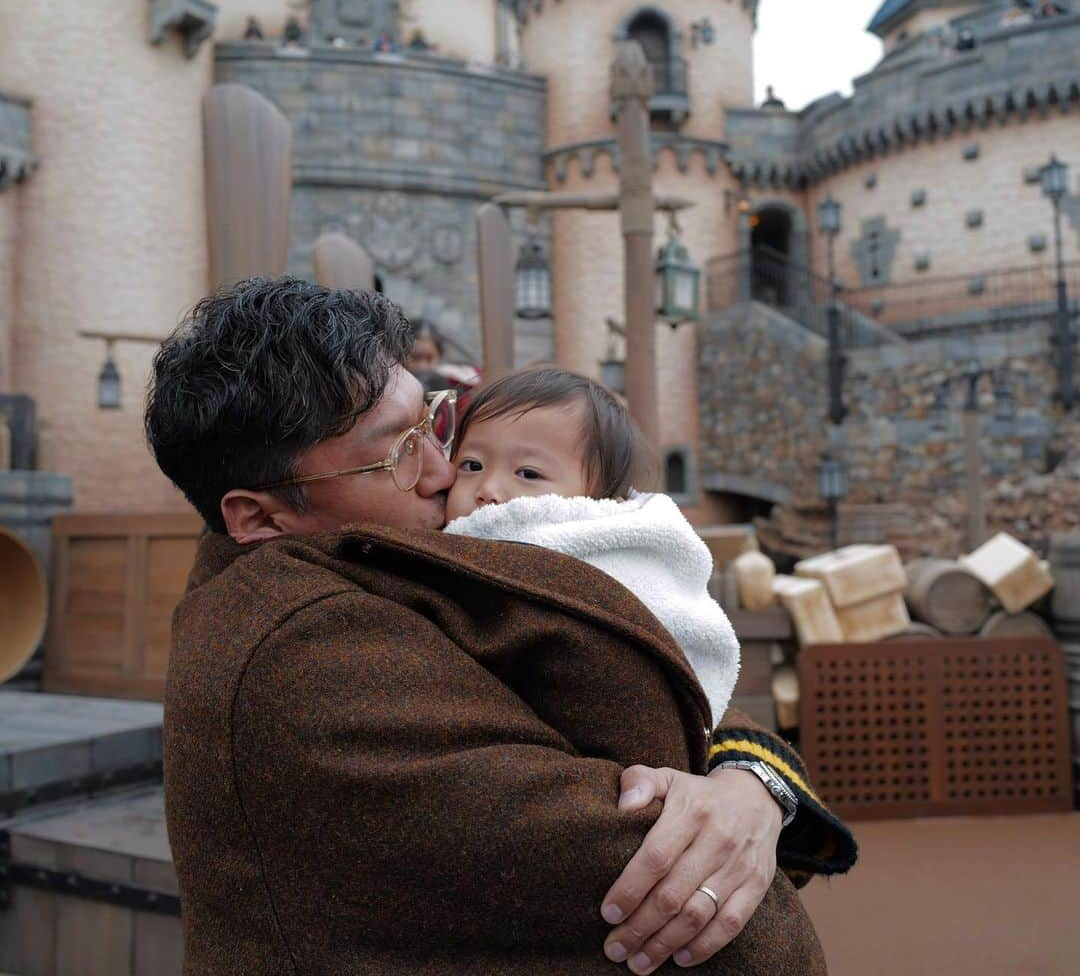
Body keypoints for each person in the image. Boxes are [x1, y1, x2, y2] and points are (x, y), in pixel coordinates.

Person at [147, 278, 855, 975]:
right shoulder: (303, 655)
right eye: (397, 453)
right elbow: (693, 899)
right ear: (261, 515)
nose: (444, 470)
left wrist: (753, 785)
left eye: (432, 421)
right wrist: (734, 803)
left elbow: (676, 682)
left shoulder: (382, 571)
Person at [445, 367, 741, 729]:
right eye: (471, 465)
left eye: (528, 473)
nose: (488, 488)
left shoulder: (608, 552)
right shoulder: (444, 553)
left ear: (596, 498)